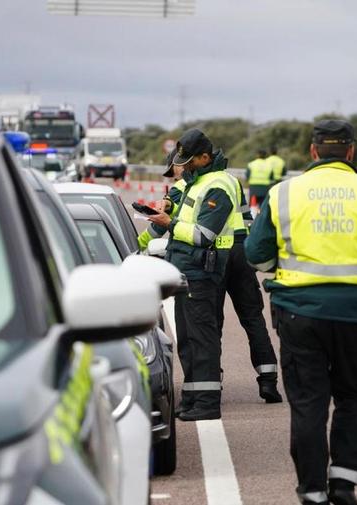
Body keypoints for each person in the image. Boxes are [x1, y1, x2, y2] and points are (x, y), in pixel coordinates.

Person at [245, 119, 357, 505]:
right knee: (354, 398)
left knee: (308, 403)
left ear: (313, 152)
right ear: (351, 152)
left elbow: (255, 255)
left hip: (300, 315)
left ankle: (313, 491)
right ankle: (345, 483)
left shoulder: (284, 194)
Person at [147, 128, 240, 421]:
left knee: (202, 339)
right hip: (187, 271)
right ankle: (191, 398)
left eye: (189, 162)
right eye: (182, 163)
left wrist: (170, 223)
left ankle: (207, 403)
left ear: (205, 156)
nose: (184, 168)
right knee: (187, 340)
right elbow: (187, 215)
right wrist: (169, 207)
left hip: (202, 270)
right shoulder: (196, 181)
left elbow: (203, 234)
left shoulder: (218, 186)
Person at [216, 173, 283, 403]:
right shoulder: (231, 180)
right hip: (240, 251)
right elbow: (247, 220)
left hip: (214, 254)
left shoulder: (191, 182)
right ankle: (268, 381)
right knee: (254, 319)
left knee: (211, 324)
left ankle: (211, 384)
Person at [137, 149, 186, 251]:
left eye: (172, 172)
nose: (174, 178)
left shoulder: (179, 188)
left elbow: (157, 229)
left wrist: (136, 246)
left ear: (179, 164)